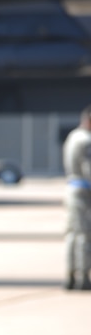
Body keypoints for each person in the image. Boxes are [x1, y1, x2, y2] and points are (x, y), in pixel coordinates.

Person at [62, 105, 91, 291]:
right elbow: (88, 169)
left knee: (71, 233)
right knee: (84, 234)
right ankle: (84, 276)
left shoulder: (73, 136)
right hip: (84, 190)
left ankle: (70, 275)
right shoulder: (87, 140)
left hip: (71, 187)